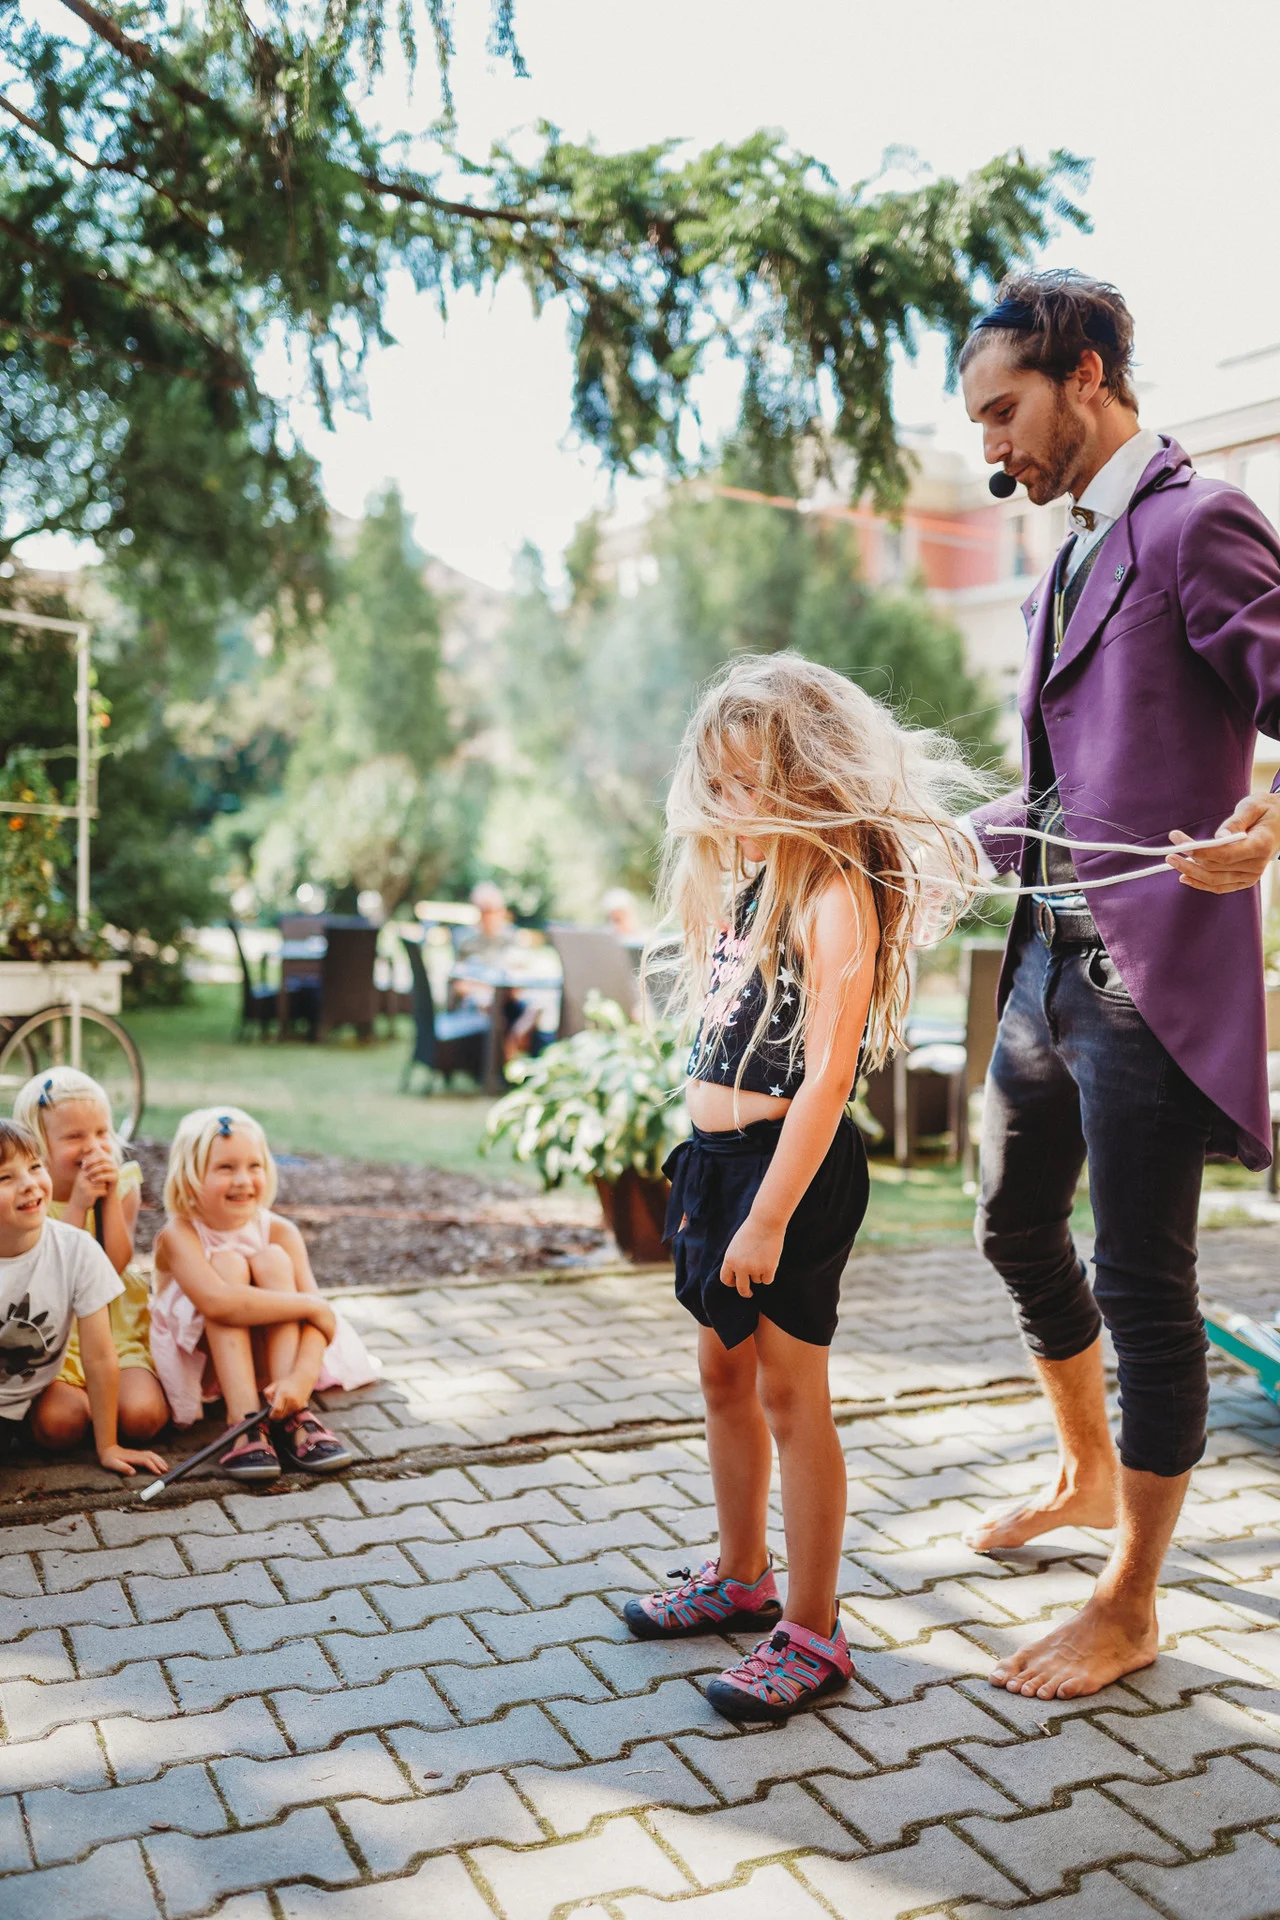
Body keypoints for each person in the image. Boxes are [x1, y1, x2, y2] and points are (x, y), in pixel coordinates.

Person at [959, 269, 1280, 1700]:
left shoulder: (1198, 521)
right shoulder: (1066, 558)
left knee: (1144, 1284)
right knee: (1014, 1225)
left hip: (1153, 979)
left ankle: (1135, 1597)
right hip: (1043, 971)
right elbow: (1054, 795)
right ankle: (1089, 1473)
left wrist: (1273, 810)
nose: (993, 447)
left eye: (1007, 408)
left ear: (1084, 372)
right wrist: (916, 839)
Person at [624, 653, 979, 1721]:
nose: (724, 806)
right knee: (720, 1378)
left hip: (791, 1174)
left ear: (804, 779)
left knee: (790, 1394)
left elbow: (828, 1075)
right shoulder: (751, 881)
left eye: (744, 785)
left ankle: (814, 1634)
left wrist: (770, 1212)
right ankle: (741, 1577)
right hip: (719, 1170)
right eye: (716, 785)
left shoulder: (833, 896)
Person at [151, 1106, 377, 1479]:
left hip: (269, 1367)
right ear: (190, 1178)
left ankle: (290, 1413)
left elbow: (317, 1327)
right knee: (226, 1265)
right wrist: (311, 1305)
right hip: (207, 1365)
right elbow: (218, 1303)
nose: (243, 1180)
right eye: (225, 1168)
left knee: (273, 1260)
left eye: (253, 1166)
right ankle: (242, 1420)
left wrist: (301, 1381)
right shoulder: (178, 1236)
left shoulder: (280, 1232)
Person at [0, 1118, 167, 1477]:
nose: (29, 1185)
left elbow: (100, 1355)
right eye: (5, 1178)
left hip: (23, 1403)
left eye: (34, 1167)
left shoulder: (77, 1249)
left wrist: (108, 1446)